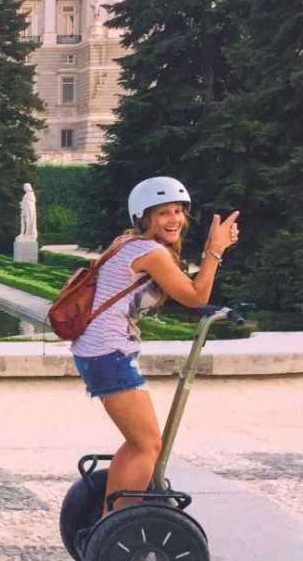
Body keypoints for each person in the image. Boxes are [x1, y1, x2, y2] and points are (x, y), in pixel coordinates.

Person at [71, 177, 239, 517]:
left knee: (140, 443)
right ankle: (118, 524)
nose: (174, 219)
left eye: (178, 211)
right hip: (107, 353)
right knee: (148, 445)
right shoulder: (150, 252)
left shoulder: (130, 243)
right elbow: (195, 297)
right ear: (143, 218)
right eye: (163, 213)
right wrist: (215, 249)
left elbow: (183, 287)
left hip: (99, 351)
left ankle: (110, 520)